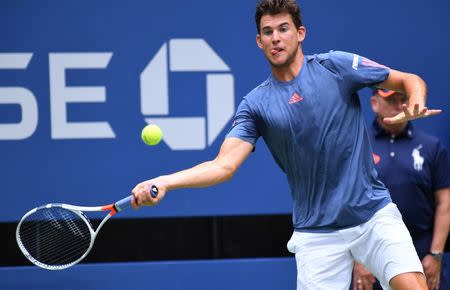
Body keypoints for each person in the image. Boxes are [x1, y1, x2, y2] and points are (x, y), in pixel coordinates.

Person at [131, 0, 441, 289]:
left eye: (283, 29)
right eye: (267, 32)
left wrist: (415, 102)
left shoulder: (336, 66)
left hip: (373, 215)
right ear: (259, 41)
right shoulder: (255, 104)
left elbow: (408, 80)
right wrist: (165, 181)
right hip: (317, 234)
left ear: (300, 34)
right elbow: (223, 166)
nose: (276, 38)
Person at [352, 89, 450, 290]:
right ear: (374, 103)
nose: (399, 106)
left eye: (403, 99)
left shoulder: (431, 146)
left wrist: (436, 254)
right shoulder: (357, 144)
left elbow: (445, 203)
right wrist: (358, 259)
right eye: (391, 100)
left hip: (422, 253)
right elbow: (348, 202)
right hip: (371, 252)